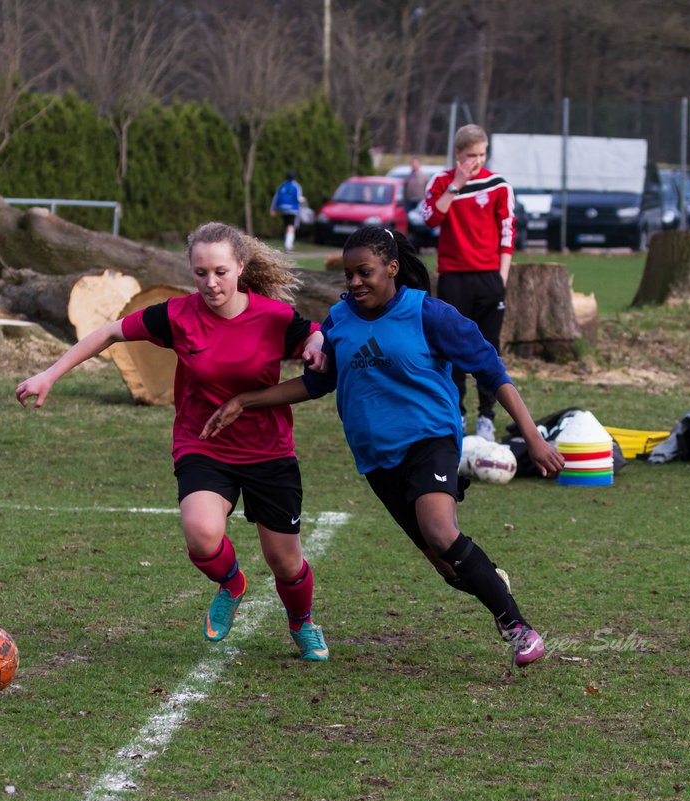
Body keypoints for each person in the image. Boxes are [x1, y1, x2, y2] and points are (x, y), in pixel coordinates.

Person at [202, 226, 564, 668]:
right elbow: (318, 382)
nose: (355, 282)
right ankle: (486, 576)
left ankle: (518, 628)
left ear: (392, 269)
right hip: (376, 458)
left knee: (439, 530)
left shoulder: (429, 314)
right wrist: (246, 400)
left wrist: (533, 437)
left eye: (365, 272)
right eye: (350, 274)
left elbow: (492, 371)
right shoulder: (340, 321)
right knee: (447, 566)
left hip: (429, 441)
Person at [15, 222, 331, 661]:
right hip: (203, 444)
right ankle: (232, 583)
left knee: (286, 563)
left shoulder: (273, 318)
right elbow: (108, 332)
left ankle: (302, 623)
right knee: (202, 536)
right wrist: (49, 373)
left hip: (268, 451)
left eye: (220, 271)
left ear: (241, 266)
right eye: (200, 273)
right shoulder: (178, 315)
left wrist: (316, 343)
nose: (210, 283)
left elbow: (313, 334)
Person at [420, 124, 516, 443]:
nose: (477, 161)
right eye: (470, 155)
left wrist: (500, 277)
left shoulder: (498, 184)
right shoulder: (441, 182)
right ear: (458, 154)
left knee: (488, 349)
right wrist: (457, 185)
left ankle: (487, 417)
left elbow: (507, 232)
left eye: (482, 154)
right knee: (452, 349)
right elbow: (431, 218)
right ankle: (456, 414)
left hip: (488, 278)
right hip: (453, 278)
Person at [270, 171, 305, 252]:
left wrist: (273, 209)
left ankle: (287, 244)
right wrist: (303, 199)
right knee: (291, 226)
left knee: (287, 226)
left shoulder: (282, 186)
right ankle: (288, 245)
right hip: (293, 209)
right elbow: (298, 198)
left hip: (283, 209)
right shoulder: (296, 186)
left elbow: (276, 198)